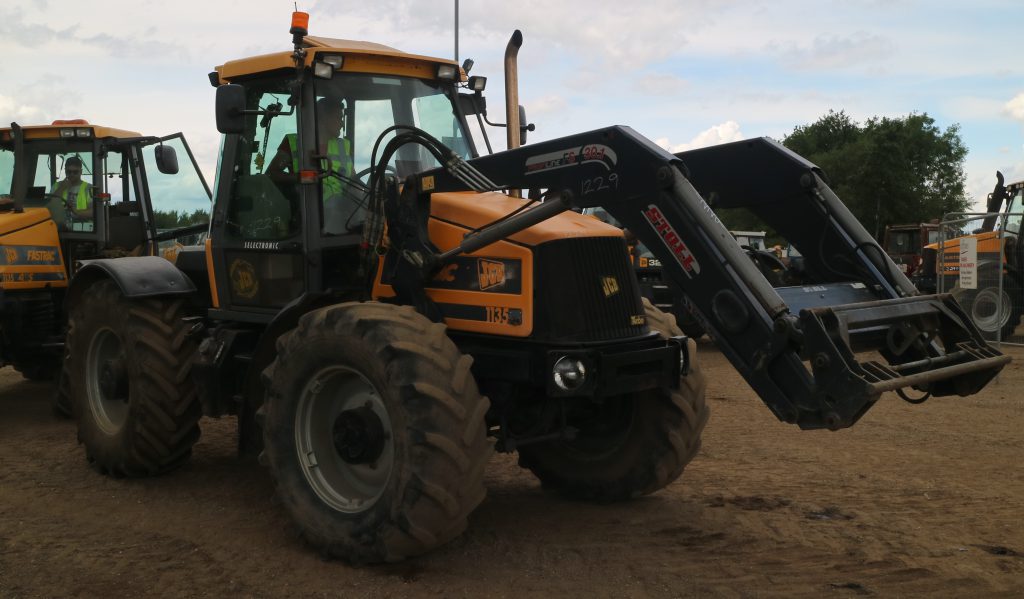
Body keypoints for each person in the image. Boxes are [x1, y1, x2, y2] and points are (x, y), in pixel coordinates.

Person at [267, 98, 360, 234]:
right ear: (323, 118)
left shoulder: (344, 146)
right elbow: (271, 174)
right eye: (339, 118)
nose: (342, 124)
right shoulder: (293, 142)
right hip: (309, 215)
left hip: (342, 213)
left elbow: (354, 181)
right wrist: (301, 177)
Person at [51, 156, 93, 226]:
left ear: (81, 171)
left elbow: (94, 211)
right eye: (69, 172)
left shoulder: (89, 188)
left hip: (83, 227)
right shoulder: (56, 186)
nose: (71, 174)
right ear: (65, 171)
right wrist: (61, 188)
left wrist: (77, 212)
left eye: (75, 172)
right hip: (60, 227)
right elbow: (50, 206)